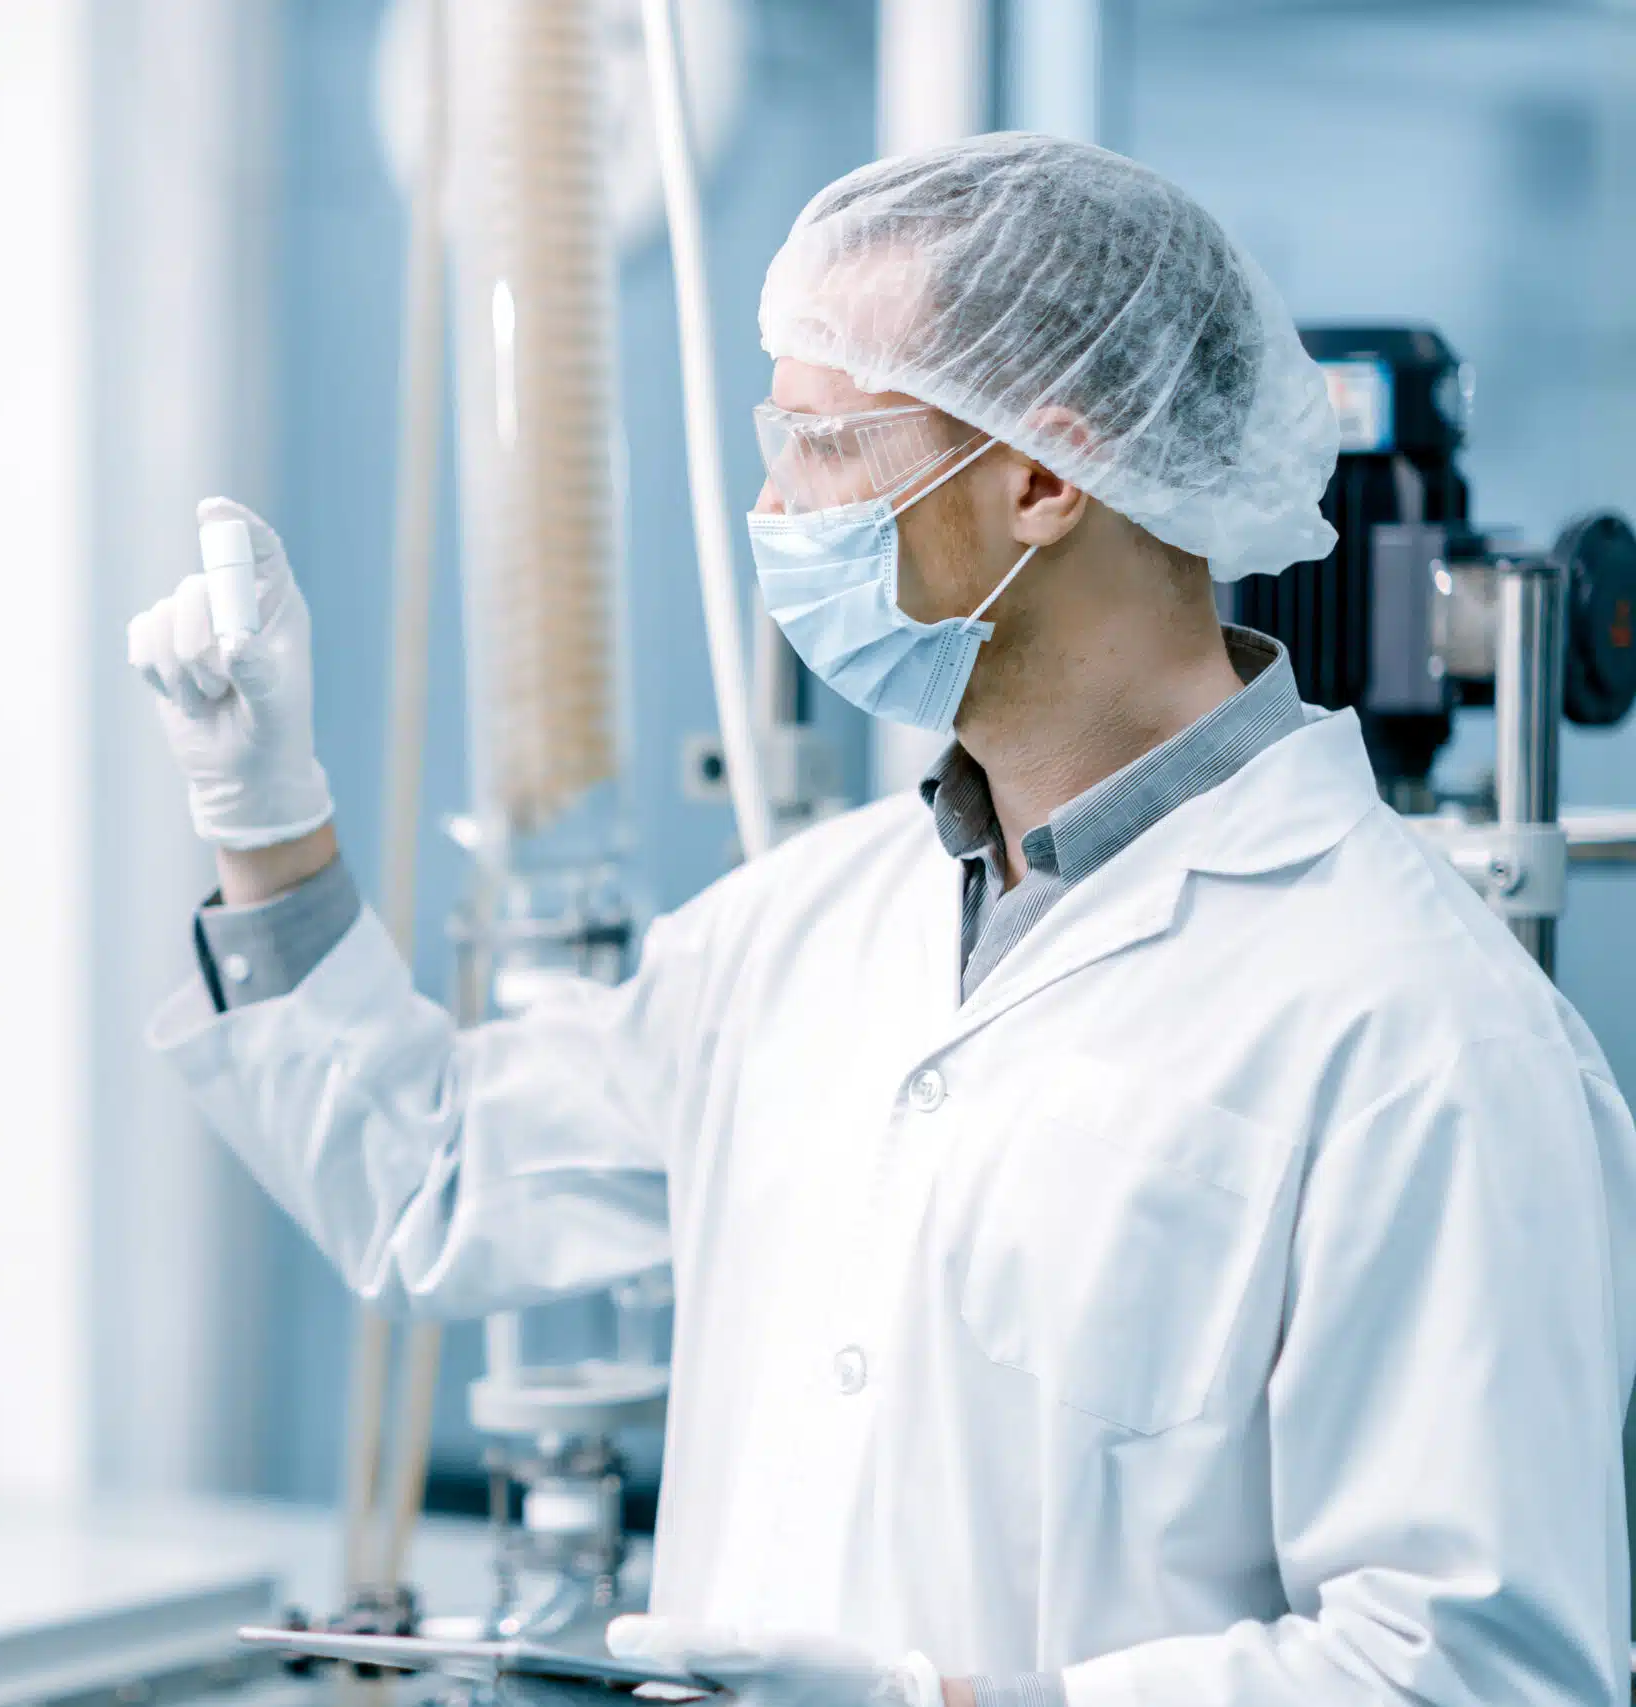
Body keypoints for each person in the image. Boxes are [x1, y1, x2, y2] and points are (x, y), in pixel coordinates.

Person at [127, 133, 1636, 1707]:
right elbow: (435, 1179)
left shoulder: (1420, 1034)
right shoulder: (807, 925)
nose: (775, 510)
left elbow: (1474, 1671)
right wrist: (264, 820)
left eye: (825, 446)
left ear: (1043, 476)